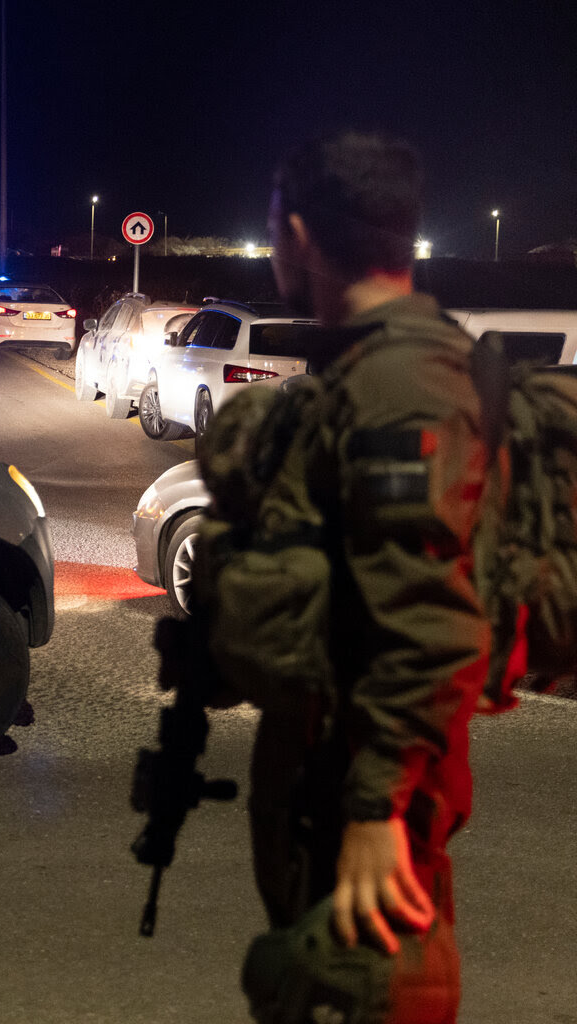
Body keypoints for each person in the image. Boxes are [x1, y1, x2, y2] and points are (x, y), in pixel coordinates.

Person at [198, 131, 491, 1021]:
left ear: (296, 237)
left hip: (365, 818)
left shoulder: (401, 384)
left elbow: (431, 611)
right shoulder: (371, 367)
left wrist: (374, 810)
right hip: (334, 791)